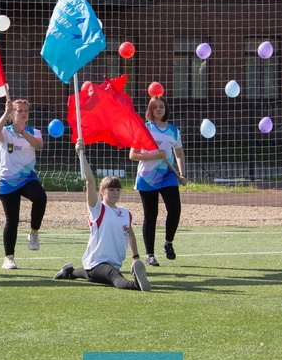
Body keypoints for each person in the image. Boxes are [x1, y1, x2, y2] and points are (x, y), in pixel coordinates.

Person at [54, 140, 150, 291]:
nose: (115, 192)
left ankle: (68, 272)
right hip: (98, 263)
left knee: (88, 274)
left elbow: (130, 233)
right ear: (102, 192)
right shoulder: (98, 209)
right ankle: (136, 284)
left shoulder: (125, 213)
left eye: (117, 190)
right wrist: (81, 154)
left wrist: (136, 258)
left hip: (109, 264)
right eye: (111, 189)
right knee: (114, 276)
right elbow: (90, 180)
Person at [128, 96, 186, 267]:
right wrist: (154, 155)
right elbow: (133, 155)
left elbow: (179, 154)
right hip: (147, 177)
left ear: (165, 109)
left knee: (174, 209)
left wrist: (182, 174)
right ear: (150, 110)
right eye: (155, 107)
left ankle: (168, 243)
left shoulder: (173, 131)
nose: (158, 110)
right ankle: (150, 255)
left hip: (168, 175)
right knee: (151, 215)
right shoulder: (143, 129)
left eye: (161, 106)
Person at [0, 98, 47, 270]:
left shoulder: (33, 131)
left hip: (27, 178)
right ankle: (9, 257)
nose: (23, 113)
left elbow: (39, 145)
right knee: (12, 220)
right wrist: (5, 113)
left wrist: (22, 132)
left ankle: (34, 233)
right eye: (19, 111)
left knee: (40, 198)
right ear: (13, 114)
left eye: (25, 111)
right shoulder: (6, 132)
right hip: (8, 180)